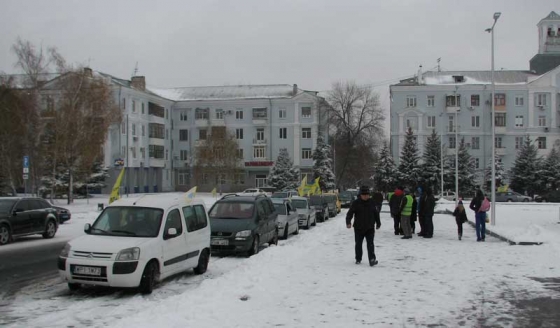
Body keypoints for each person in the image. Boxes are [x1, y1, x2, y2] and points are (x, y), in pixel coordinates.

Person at [346, 185, 381, 266]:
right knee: (358, 244)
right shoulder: (356, 203)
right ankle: (358, 258)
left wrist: (378, 223)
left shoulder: (372, 202)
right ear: (360, 195)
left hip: (370, 227)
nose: (365, 196)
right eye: (364, 195)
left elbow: (376, 214)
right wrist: (348, 222)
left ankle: (372, 259)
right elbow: (350, 213)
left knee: (370, 244)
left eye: (367, 195)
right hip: (359, 227)